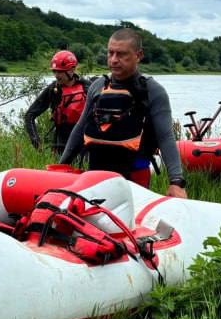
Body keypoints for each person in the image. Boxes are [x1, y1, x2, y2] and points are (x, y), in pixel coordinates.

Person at [58, 28, 187, 197]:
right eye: (110, 53)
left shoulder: (152, 90)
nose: (114, 60)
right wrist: (62, 167)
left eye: (121, 54)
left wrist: (176, 181)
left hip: (134, 176)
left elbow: (165, 136)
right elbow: (80, 127)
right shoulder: (97, 87)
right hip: (95, 174)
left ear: (138, 55)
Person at [23, 50, 90, 155]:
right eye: (54, 71)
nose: (57, 75)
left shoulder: (88, 87)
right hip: (61, 145)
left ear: (72, 69)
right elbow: (30, 115)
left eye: (60, 71)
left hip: (85, 143)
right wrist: (35, 140)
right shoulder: (53, 90)